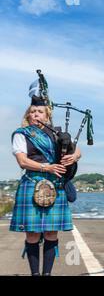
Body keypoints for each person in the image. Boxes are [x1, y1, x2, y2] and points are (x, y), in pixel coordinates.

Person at [10, 95, 82, 276]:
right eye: (32, 112)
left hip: (55, 185)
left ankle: (47, 274)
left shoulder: (59, 133)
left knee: (51, 233)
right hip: (32, 183)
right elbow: (22, 161)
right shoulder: (21, 134)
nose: (36, 114)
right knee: (32, 234)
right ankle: (35, 274)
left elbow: (77, 149)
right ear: (28, 116)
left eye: (40, 112)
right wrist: (46, 167)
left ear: (47, 116)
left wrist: (74, 156)